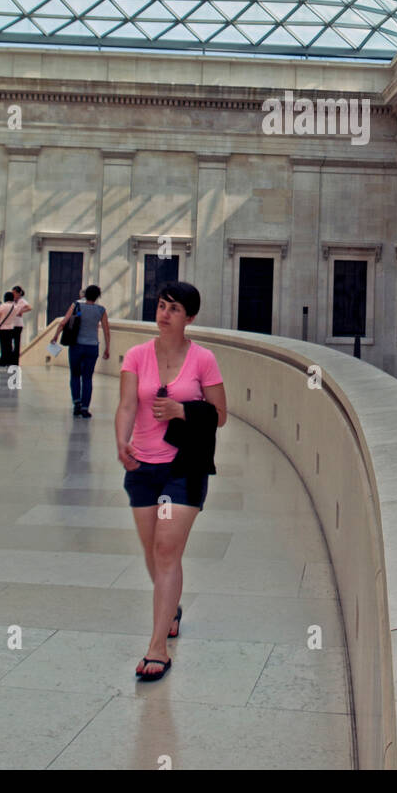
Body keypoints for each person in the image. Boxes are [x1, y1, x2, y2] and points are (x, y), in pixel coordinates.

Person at [116, 281, 227, 681]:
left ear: (190, 318)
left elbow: (220, 414)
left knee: (166, 550)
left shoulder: (203, 360)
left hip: (184, 466)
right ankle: (171, 607)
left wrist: (182, 410)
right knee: (152, 551)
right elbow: (128, 404)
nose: (164, 314)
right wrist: (121, 440)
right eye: (162, 306)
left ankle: (157, 647)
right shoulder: (136, 355)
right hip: (143, 467)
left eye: (174, 309)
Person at [55, 284, 110, 418]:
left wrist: (55, 336)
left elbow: (63, 322)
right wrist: (107, 347)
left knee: (75, 375)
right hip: (92, 347)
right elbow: (106, 330)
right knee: (87, 378)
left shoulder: (76, 306)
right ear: (98, 297)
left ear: (85, 295)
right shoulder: (101, 310)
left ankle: (76, 403)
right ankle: (85, 408)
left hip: (77, 346)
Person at [7, 285, 31, 365]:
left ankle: (15, 361)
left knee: (17, 343)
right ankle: (10, 359)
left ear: (18, 293)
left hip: (18, 324)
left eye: (14, 293)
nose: (13, 294)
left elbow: (29, 307)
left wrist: (21, 311)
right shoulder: (12, 301)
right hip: (11, 324)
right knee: (9, 342)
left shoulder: (22, 301)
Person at [0, 292, 16, 367]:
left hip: (2, 329)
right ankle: (9, 361)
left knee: (3, 346)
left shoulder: (2, 306)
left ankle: (2, 361)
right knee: (9, 345)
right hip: (11, 328)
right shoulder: (15, 307)